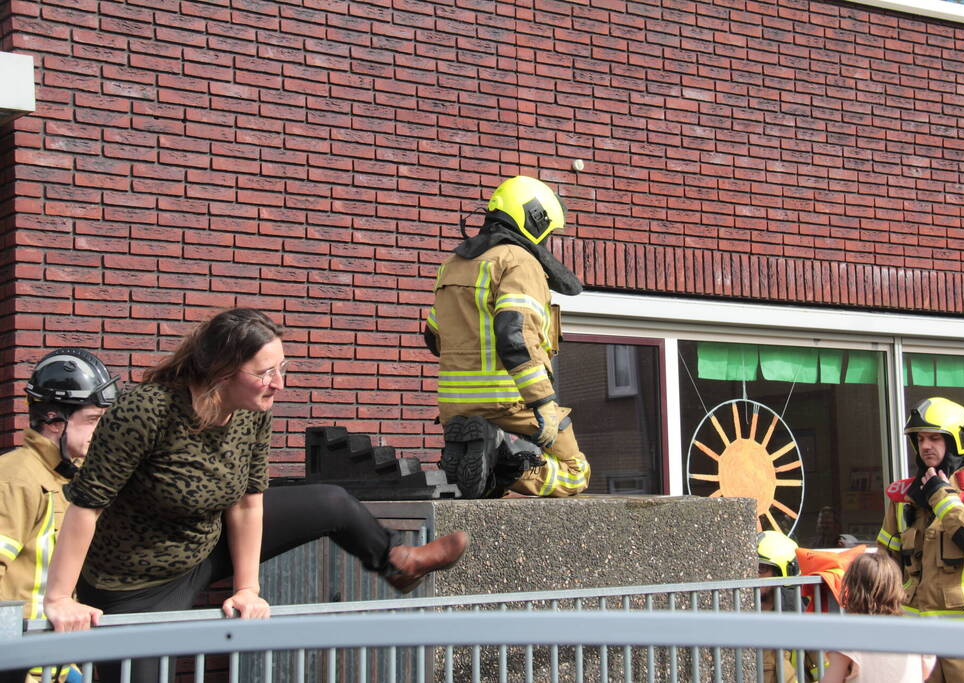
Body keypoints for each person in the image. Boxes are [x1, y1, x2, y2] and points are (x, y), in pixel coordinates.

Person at [41, 309, 469, 681]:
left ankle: (398, 562)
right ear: (223, 373)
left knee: (331, 502)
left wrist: (247, 587)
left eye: (282, 368)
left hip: (206, 546)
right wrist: (60, 598)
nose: (278, 384)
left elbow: (247, 501)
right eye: (265, 373)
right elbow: (87, 505)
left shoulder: (252, 413)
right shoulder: (147, 411)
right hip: (133, 584)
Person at [423, 175, 590, 498]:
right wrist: (542, 402)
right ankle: (508, 460)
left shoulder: (452, 266)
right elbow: (515, 336)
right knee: (574, 474)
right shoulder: (519, 262)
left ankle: (486, 454)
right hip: (510, 401)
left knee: (487, 487)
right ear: (535, 219)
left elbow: (433, 337)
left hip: (456, 406)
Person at [876, 397, 964, 683]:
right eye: (920, 438)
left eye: (935, 438)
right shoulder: (902, 497)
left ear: (957, 440)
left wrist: (943, 500)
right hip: (913, 637)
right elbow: (886, 562)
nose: (925, 445)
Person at [0, 349, 117, 683]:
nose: (102, 431)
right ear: (54, 420)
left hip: (58, 667)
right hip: (20, 669)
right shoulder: (17, 478)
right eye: (93, 420)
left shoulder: (68, 477)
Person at [822, 553, 935, 682]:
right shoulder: (917, 634)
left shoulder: (848, 637)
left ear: (852, 589)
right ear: (896, 587)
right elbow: (924, 673)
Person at [757, 530, 800, 683]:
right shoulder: (736, 612)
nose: (752, 575)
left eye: (761, 569)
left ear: (781, 572)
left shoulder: (801, 617)